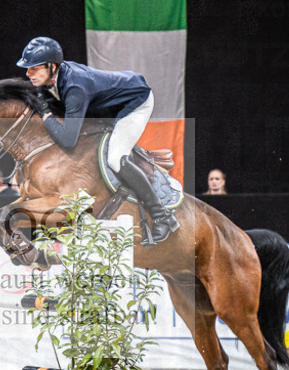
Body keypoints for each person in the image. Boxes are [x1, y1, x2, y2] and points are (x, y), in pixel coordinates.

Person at [17, 36, 178, 244]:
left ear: (52, 66)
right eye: (28, 68)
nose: (27, 73)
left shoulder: (75, 88)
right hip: (108, 107)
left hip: (135, 103)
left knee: (115, 158)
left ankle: (162, 216)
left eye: (33, 68)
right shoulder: (52, 79)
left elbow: (67, 141)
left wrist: (46, 115)